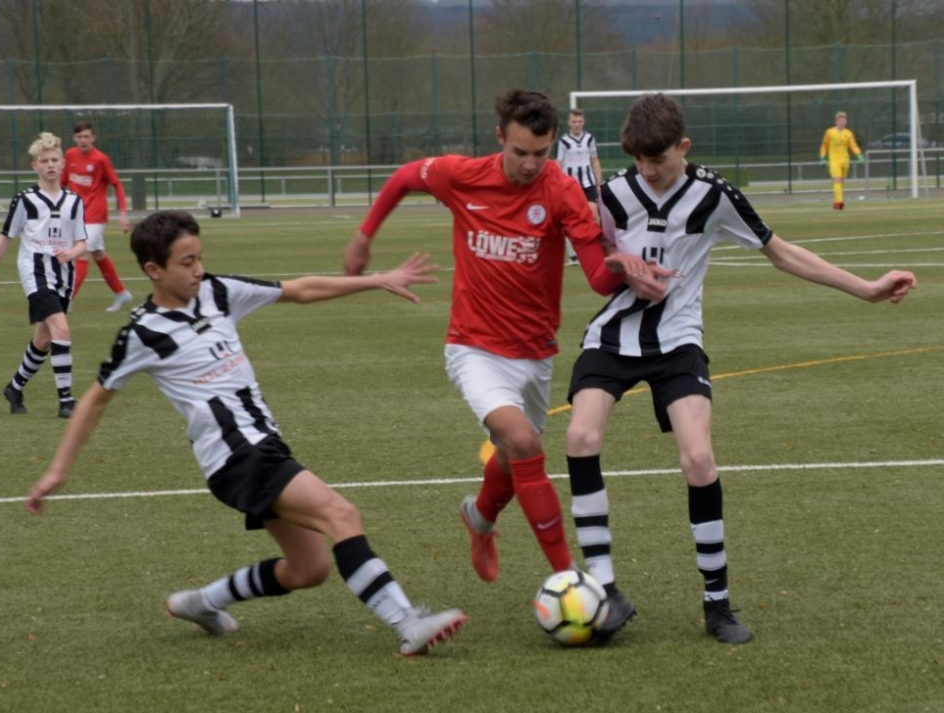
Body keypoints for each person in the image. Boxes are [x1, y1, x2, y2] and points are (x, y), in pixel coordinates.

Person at [24, 210, 466, 656]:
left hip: (262, 446)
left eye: (199, 257)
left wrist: (377, 280)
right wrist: (57, 471)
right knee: (342, 515)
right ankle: (409, 623)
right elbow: (95, 400)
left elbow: (300, 289)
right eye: (186, 262)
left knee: (308, 569)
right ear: (153, 270)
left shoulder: (217, 291)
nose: (198, 269)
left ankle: (202, 603)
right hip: (238, 457)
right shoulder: (143, 332)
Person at [565, 93, 916, 645]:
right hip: (613, 336)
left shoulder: (714, 194)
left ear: (683, 146)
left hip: (678, 341)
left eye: (658, 161)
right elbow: (597, 247)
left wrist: (867, 289)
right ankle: (604, 592)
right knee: (580, 435)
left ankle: (717, 604)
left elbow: (782, 253)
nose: (648, 172)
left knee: (698, 458)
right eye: (638, 161)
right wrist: (620, 264)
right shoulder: (615, 192)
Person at [342, 89, 669, 638]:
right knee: (522, 443)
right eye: (520, 152)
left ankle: (481, 515)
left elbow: (596, 278)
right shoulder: (461, 176)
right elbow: (402, 178)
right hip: (473, 348)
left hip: (535, 355)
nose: (530, 164)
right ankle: (572, 581)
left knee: (519, 454)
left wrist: (624, 268)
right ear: (500, 138)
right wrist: (363, 237)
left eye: (541, 153)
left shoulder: (561, 191)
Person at [0, 131, 88, 418]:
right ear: (35, 166)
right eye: (44, 161)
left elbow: (82, 243)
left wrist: (71, 254)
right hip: (35, 272)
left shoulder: (74, 201)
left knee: (45, 338)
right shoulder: (25, 200)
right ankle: (66, 401)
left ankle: (14, 388)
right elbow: (5, 238)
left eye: (54, 160)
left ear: (63, 164)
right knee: (61, 328)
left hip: (64, 275)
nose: (50, 165)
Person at [61, 121, 133, 311]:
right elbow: (62, 182)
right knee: (99, 254)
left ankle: (67, 300)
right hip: (77, 215)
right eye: (80, 137)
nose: (83, 140)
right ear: (74, 138)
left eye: (87, 136)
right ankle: (121, 293)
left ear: (93, 138)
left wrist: (123, 213)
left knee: (81, 253)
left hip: (95, 215)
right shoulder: (70, 156)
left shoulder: (101, 159)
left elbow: (117, 184)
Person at [557, 108, 603, 264]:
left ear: (583, 122)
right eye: (574, 121)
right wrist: (558, 183)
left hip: (588, 183)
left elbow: (595, 160)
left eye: (579, 121)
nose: (577, 124)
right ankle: (573, 255)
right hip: (570, 186)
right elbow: (559, 163)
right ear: (569, 123)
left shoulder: (589, 139)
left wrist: (599, 182)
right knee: (570, 219)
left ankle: (595, 251)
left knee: (593, 216)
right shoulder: (563, 141)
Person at [819, 111, 864, 210]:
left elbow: (853, 145)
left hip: (845, 160)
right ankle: (839, 202)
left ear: (846, 122)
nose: (842, 123)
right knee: (837, 179)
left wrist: (859, 154)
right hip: (834, 159)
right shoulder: (829, 132)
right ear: (836, 122)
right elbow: (824, 145)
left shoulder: (848, 133)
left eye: (844, 121)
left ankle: (836, 202)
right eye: (840, 121)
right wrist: (822, 157)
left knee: (841, 182)